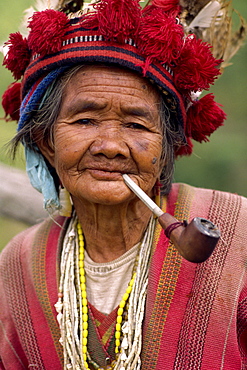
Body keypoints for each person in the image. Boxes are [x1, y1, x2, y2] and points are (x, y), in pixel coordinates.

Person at [0, 0, 246, 369]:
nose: (111, 146)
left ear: (167, 148)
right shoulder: (18, 265)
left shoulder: (239, 231)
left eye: (136, 125)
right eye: (85, 121)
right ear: (46, 142)